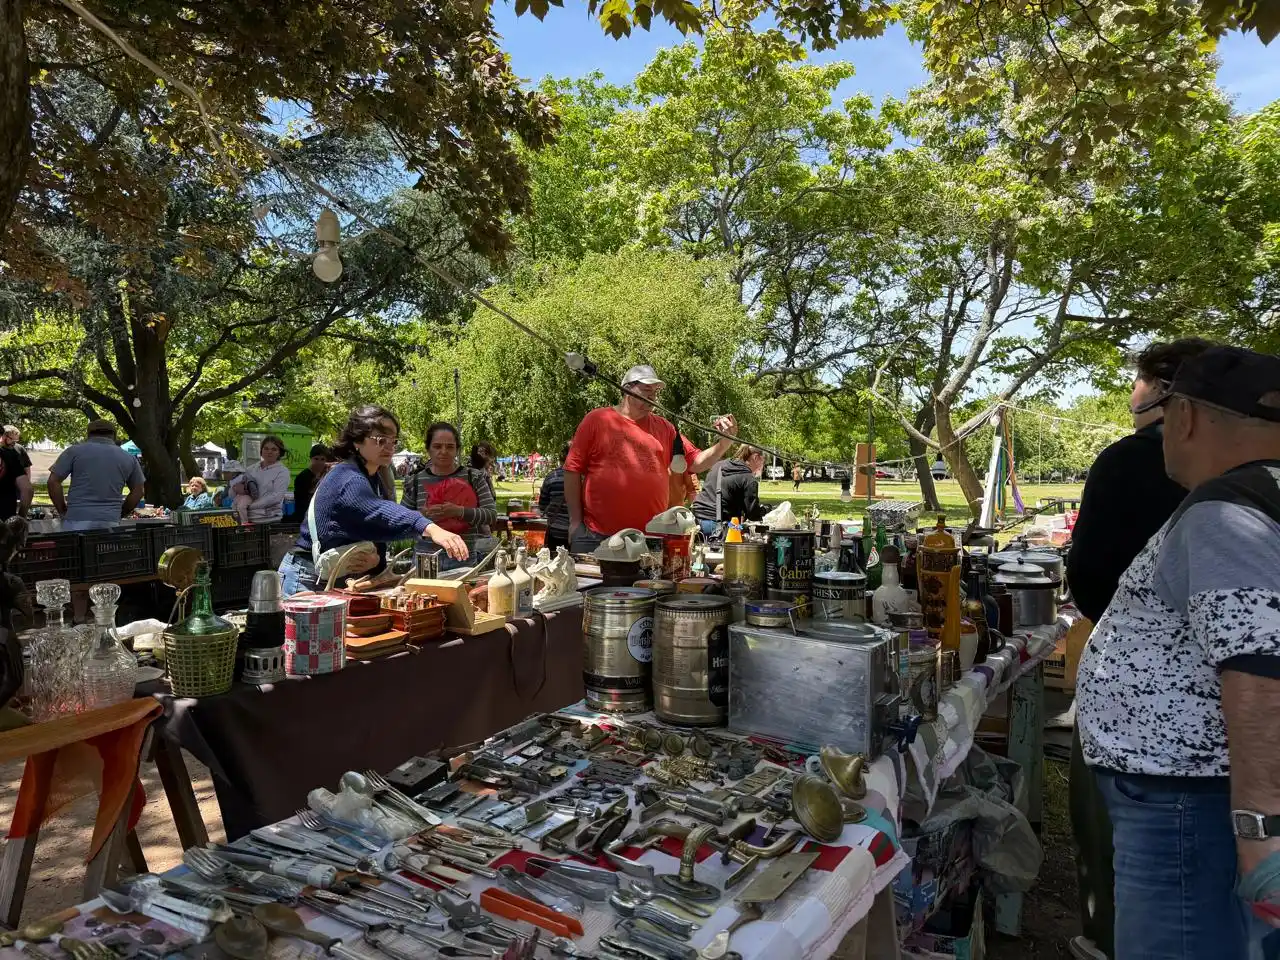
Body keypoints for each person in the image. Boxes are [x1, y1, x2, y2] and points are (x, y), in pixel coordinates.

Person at [1076, 345, 1280, 960]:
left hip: (1186, 800)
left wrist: (1261, 830)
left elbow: (1259, 670)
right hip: (1193, 792)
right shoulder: (1255, 495)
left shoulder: (1226, 513)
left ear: (1185, 415)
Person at [1064, 338, 1212, 960]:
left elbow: (1092, 576)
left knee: (1156, 899)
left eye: (1141, 404)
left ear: (1181, 410)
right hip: (1170, 747)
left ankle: (1111, 937)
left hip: (1165, 752)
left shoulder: (1217, 501)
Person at [278, 406, 467, 596]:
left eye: (393, 440)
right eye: (380, 439)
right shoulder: (348, 477)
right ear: (357, 441)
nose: (389, 446)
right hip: (307, 577)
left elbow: (373, 526)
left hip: (331, 576)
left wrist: (376, 560)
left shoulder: (371, 477)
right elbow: (378, 511)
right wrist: (429, 527)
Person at [565, 364, 738, 553]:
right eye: (647, 390)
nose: (653, 397)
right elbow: (572, 470)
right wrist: (575, 522)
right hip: (595, 535)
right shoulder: (597, 420)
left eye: (655, 392)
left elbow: (696, 463)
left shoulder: (665, 428)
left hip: (648, 539)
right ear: (627, 390)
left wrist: (724, 443)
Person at [402, 422, 497, 569]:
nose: (443, 451)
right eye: (437, 446)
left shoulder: (474, 477)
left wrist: (459, 511)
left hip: (463, 559)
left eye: (450, 447)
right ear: (428, 449)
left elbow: (491, 515)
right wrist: (422, 516)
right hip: (425, 561)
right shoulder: (415, 481)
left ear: (457, 449)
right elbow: (402, 521)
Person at [47, 420, 145, 530]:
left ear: (88, 434)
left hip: (77, 518)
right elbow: (139, 491)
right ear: (114, 435)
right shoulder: (128, 457)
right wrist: (121, 513)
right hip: (110, 520)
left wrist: (62, 511)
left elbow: (53, 482)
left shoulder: (73, 452)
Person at [691, 444, 767, 536]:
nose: (762, 467)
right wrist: (765, 510)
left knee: (742, 528)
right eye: (763, 462)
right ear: (756, 458)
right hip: (719, 525)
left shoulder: (719, 465)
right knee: (747, 533)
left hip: (696, 521)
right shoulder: (748, 479)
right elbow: (753, 515)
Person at [230, 435, 290, 524]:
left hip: (268, 520)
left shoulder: (282, 471)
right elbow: (233, 493)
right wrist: (235, 489)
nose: (269, 452)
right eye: (266, 448)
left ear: (279, 453)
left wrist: (249, 506)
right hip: (244, 518)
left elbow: (276, 497)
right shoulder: (251, 469)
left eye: (274, 449)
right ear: (261, 450)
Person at [539, 445, 571, 552]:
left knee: (553, 560)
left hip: (555, 531)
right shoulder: (584, 477)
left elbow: (542, 506)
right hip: (578, 534)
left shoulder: (551, 477)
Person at [0, 426, 32, 520]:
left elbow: (27, 468)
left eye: (16, 441)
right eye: (12, 440)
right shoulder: (10, 455)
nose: (14, 444)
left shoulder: (17, 451)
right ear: (4, 436)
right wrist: (21, 519)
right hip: (5, 516)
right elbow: (28, 490)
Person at [293, 443, 329, 519]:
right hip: (305, 516)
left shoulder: (327, 475)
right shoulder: (302, 477)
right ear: (311, 459)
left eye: (322, 459)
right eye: (316, 459)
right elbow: (302, 502)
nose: (319, 462)